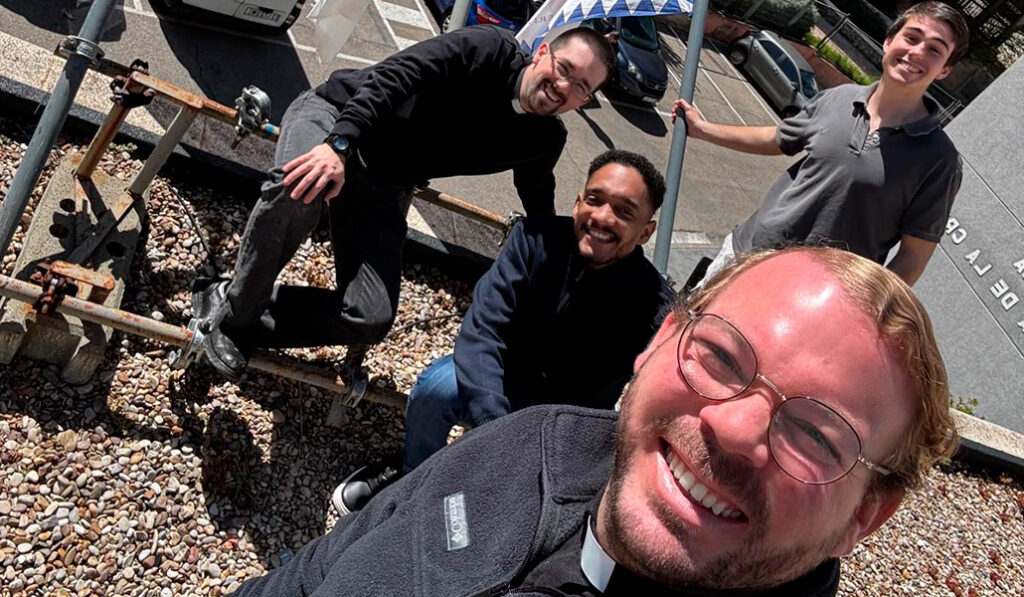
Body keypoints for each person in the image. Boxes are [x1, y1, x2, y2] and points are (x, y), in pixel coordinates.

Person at [226, 246, 958, 597]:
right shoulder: (533, 442)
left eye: (817, 432)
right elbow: (314, 571)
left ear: (869, 513)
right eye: (723, 355)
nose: (734, 427)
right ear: (662, 340)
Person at [192, 26, 616, 380]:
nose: (564, 87)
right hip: (340, 118)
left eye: (582, 87)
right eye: (564, 70)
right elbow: (397, 75)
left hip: (384, 180)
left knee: (370, 314)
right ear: (542, 53)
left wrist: (575, 257)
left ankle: (233, 304)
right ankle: (233, 314)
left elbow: (538, 195)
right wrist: (338, 145)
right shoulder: (488, 51)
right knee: (302, 186)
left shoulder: (543, 140)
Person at [331, 149, 675, 515]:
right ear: (578, 202)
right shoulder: (533, 240)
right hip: (499, 382)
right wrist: (495, 430)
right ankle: (414, 473)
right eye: (595, 200)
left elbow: (661, 393)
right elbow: (481, 332)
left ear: (646, 231)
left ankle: (504, 508)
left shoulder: (654, 303)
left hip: (565, 418)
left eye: (624, 212)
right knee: (437, 387)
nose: (602, 218)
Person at [675, 1, 969, 286]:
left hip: (814, 296)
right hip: (743, 255)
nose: (917, 52)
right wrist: (703, 130)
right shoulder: (837, 98)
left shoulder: (939, 160)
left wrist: (857, 311)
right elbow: (777, 139)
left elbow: (912, 259)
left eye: (934, 50)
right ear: (889, 42)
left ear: (944, 70)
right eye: (912, 38)